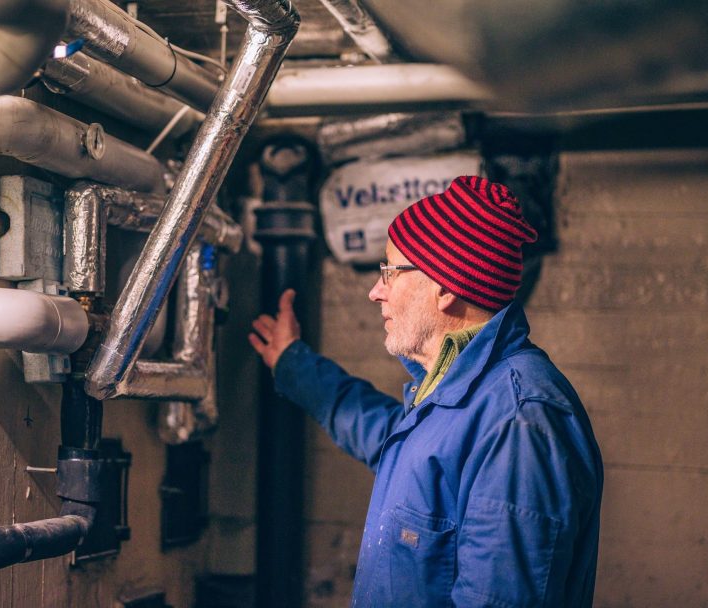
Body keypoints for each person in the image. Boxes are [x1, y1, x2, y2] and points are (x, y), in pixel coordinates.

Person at [249, 176, 603, 607]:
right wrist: (292, 362)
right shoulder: (457, 390)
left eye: (389, 272)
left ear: (446, 287)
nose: (375, 292)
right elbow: (389, 438)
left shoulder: (520, 422)